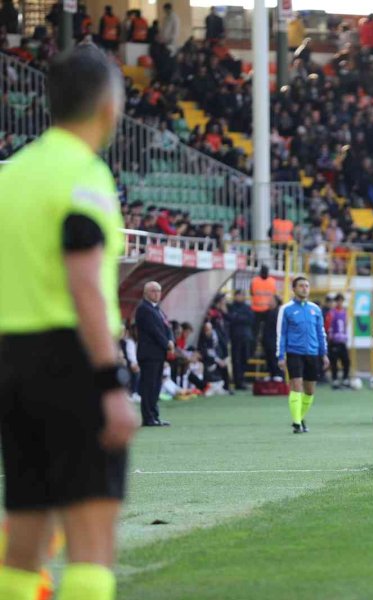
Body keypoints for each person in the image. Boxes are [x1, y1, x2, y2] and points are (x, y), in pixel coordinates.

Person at [0, 46, 138, 600]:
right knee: (91, 536)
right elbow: (83, 279)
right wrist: (109, 383)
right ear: (108, 105)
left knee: (26, 528)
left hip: (11, 359)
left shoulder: (13, 174)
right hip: (71, 361)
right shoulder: (84, 173)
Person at [277, 276, 328, 433]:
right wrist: (280, 355)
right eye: (301, 286)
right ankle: (297, 422)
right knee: (296, 385)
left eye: (307, 286)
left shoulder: (315, 309)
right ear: (294, 289)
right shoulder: (286, 309)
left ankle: (299, 417)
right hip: (294, 353)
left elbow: (321, 333)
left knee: (310, 391)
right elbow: (281, 334)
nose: (305, 288)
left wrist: (324, 354)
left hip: (312, 353)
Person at [136, 281, 174, 426]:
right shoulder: (143, 309)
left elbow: (167, 327)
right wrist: (167, 344)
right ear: (145, 293)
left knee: (156, 386)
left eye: (158, 290)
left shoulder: (157, 309)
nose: (157, 293)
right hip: (149, 354)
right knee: (149, 386)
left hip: (158, 354)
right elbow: (154, 331)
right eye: (153, 291)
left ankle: (155, 415)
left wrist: (171, 340)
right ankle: (148, 417)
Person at [228, 289, 254, 390]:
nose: (240, 297)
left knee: (245, 358)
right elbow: (231, 319)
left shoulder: (247, 308)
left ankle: (242, 379)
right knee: (236, 360)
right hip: (235, 337)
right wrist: (239, 318)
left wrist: (237, 318)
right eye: (238, 295)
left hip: (246, 337)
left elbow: (250, 319)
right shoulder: (231, 307)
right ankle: (238, 382)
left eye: (242, 295)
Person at [250, 264, 276, 352]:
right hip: (266, 310)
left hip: (256, 310)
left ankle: (253, 350)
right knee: (265, 333)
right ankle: (262, 349)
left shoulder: (254, 281)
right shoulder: (272, 281)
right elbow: (274, 295)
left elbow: (252, 293)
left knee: (256, 333)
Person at [328, 293, 351, 389]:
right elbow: (328, 325)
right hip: (334, 341)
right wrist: (330, 337)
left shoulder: (345, 312)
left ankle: (345, 378)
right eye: (338, 300)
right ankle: (335, 380)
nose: (340, 302)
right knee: (334, 361)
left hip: (342, 341)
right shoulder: (332, 312)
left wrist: (346, 337)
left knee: (346, 361)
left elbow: (346, 325)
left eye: (341, 300)